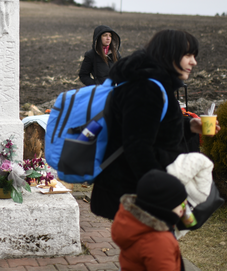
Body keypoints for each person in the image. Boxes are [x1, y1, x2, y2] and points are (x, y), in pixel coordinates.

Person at [90, 29, 219, 220]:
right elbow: (138, 147)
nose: (194, 62)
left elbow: (151, 127)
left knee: (152, 250)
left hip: (140, 189)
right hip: (135, 194)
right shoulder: (147, 88)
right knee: (153, 249)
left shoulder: (155, 84)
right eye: (188, 55)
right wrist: (164, 193)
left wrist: (189, 125)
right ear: (169, 54)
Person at [111, 170, 205, 271]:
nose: (184, 209)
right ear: (166, 207)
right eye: (181, 204)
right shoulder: (158, 240)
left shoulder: (134, 224)